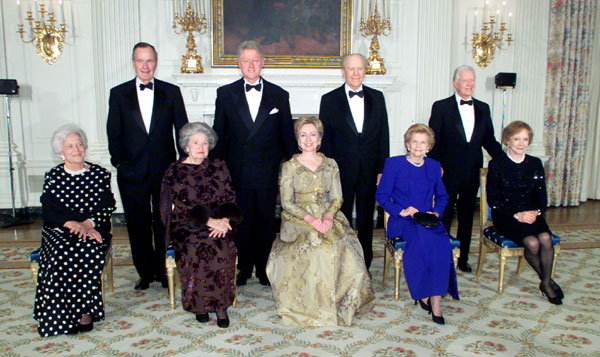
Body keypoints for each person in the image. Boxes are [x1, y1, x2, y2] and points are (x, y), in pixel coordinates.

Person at [266, 116, 375, 326]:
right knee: (319, 249)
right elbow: (287, 202)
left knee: (346, 248)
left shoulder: (331, 164)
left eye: (312, 135)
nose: (308, 139)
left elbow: (337, 197)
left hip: (328, 214)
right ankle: (315, 308)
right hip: (298, 217)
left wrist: (327, 216)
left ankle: (340, 304)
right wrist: (311, 220)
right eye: (303, 135)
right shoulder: (289, 166)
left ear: (319, 139)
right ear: (297, 140)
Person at [212, 40, 296, 286]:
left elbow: (287, 137)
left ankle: (263, 267)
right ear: (239, 64)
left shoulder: (279, 95)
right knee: (240, 220)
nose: (250, 65)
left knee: (266, 221)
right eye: (246, 60)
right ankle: (243, 266)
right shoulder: (225, 94)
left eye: (255, 60)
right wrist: (217, 171)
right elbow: (219, 134)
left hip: (267, 172)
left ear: (262, 63)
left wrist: (294, 167)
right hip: (236, 171)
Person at [107, 42, 188, 290]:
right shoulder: (118, 93)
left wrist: (182, 166)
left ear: (156, 62)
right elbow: (113, 132)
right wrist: (120, 162)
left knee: (164, 221)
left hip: (164, 171)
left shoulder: (171, 92)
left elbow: (182, 131)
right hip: (132, 172)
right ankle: (145, 272)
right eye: (140, 60)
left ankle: (165, 271)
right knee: (136, 222)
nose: (145, 65)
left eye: (149, 60)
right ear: (133, 62)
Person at [34, 124, 116, 336]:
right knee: (59, 252)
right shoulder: (53, 176)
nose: (77, 149)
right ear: (61, 151)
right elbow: (50, 209)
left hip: (94, 228)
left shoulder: (100, 174)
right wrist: (74, 225)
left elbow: (107, 204)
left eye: (79, 144)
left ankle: (84, 313)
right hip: (61, 230)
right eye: (70, 146)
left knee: (87, 251)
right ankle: (60, 314)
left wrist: (88, 225)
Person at [160, 122, 241, 328]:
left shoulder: (219, 166)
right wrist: (208, 221)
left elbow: (230, 197)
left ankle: (221, 306)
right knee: (195, 249)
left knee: (221, 245)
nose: (201, 147)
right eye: (195, 142)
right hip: (188, 225)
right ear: (186, 146)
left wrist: (224, 221)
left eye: (205, 143)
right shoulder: (175, 170)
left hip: (219, 223)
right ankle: (200, 306)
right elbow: (180, 207)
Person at [376, 124, 459, 325]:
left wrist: (436, 212)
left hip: (427, 220)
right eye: (414, 142)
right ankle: (424, 294)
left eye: (423, 142)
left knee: (440, 244)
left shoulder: (433, 166)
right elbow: (382, 195)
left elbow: (442, 196)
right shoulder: (393, 164)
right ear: (407, 144)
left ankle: (435, 299)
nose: (418, 146)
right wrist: (401, 210)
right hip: (402, 220)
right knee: (424, 240)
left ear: (429, 146)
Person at [428, 65, 503, 273]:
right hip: (448, 172)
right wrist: (437, 167)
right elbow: (432, 141)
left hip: (472, 171)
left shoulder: (483, 108)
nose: (469, 84)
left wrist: (505, 159)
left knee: (467, 215)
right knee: (445, 214)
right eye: (465, 80)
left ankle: (463, 258)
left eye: (472, 80)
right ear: (455, 83)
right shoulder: (441, 107)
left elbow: (489, 140)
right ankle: (442, 254)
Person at [318, 53, 390, 270]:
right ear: (343, 71)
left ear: (365, 70)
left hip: (370, 170)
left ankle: (365, 261)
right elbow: (326, 139)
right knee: (342, 217)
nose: (356, 73)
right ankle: (344, 260)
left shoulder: (378, 97)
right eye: (352, 69)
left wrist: (382, 169)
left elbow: (383, 136)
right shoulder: (329, 100)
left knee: (367, 217)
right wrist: (328, 172)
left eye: (360, 68)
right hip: (341, 171)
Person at [486, 121, 563, 305]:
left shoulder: (535, 163)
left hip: (532, 213)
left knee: (545, 238)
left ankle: (545, 283)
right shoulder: (497, 164)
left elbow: (541, 197)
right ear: (507, 141)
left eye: (525, 139)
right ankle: (548, 282)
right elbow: (494, 199)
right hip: (506, 216)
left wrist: (535, 212)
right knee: (532, 242)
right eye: (516, 139)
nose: (521, 143)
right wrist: (517, 215)